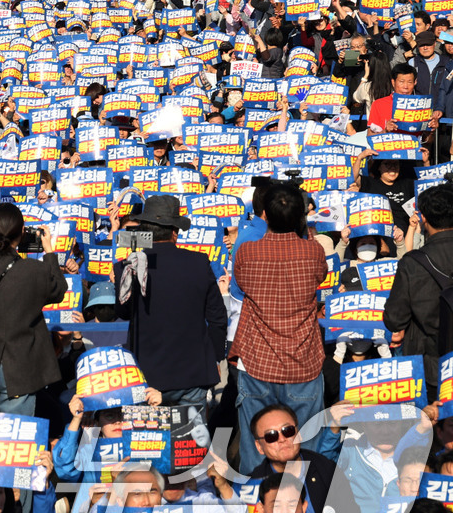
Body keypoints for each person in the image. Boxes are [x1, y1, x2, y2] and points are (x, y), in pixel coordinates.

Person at [231, 183, 330, 474]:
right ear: (301, 217)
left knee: (256, 444)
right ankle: (307, 502)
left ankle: (254, 505)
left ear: (265, 215)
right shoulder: (312, 252)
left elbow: (242, 285)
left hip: (257, 361)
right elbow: (320, 276)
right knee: (306, 442)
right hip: (302, 364)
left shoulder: (247, 253)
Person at [113, 195, 226, 408]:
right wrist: (216, 357)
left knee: (150, 442)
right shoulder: (199, 262)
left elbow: (123, 311)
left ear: (143, 230)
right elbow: (218, 318)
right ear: (175, 232)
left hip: (147, 377)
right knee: (193, 440)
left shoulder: (126, 266)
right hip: (193, 373)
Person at [0, 203, 65, 417]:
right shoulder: (36, 270)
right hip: (21, 364)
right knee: (15, 440)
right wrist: (49, 252)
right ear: (22, 232)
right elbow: (58, 291)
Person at [386, 183, 453, 384]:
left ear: (423, 218)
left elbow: (394, 319)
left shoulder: (413, 262)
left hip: (431, 366)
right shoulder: (413, 262)